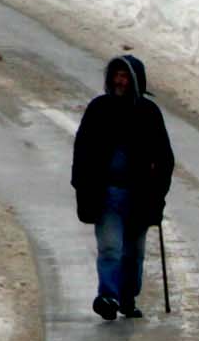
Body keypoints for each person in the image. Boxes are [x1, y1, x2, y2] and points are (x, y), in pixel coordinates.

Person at [68, 51, 176, 319]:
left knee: (133, 253)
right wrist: (82, 185)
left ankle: (128, 297)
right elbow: (82, 150)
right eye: (117, 75)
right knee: (110, 248)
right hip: (106, 194)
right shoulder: (99, 109)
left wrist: (157, 193)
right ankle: (108, 296)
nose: (120, 81)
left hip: (139, 195)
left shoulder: (149, 113)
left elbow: (164, 158)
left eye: (125, 76)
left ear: (136, 80)